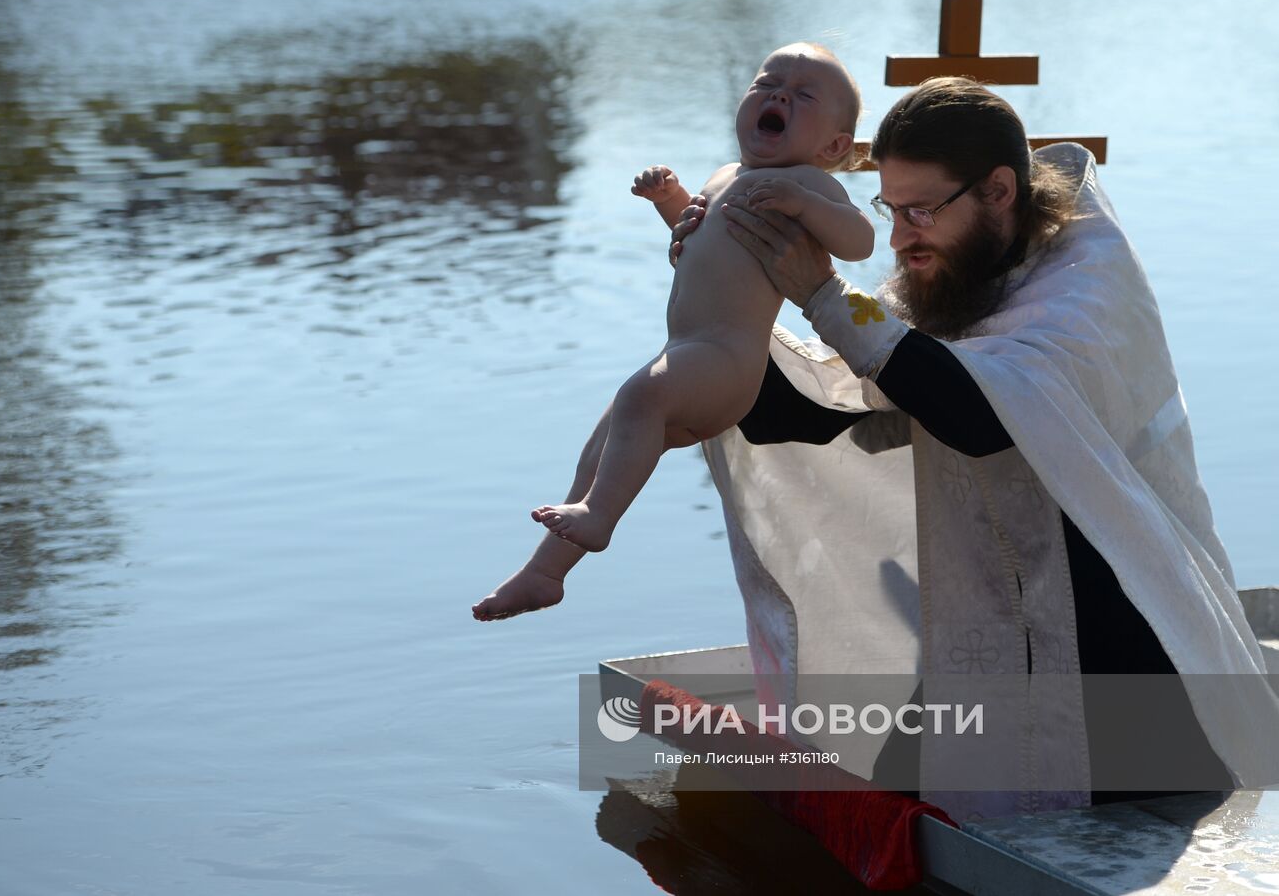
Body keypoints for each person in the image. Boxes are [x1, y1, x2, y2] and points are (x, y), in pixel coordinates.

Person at [676, 77, 1279, 819]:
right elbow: (817, 412)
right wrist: (724, 287)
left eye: (921, 211)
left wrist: (828, 296)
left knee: (1134, 827)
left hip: (1134, 649)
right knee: (897, 805)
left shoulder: (1091, 283)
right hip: (992, 635)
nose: (899, 238)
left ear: (999, 191)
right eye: (888, 210)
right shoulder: (953, 281)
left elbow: (981, 413)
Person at [473, 42, 874, 621]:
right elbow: (704, 245)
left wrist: (805, 205)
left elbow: (858, 242)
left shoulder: (810, 183)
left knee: (638, 397)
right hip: (686, 353)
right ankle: (544, 573)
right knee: (603, 442)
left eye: (803, 95)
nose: (779, 94)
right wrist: (672, 204)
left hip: (729, 363)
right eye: (767, 83)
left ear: (834, 146)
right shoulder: (727, 175)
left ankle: (599, 520)